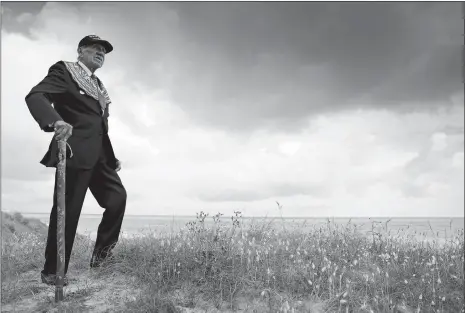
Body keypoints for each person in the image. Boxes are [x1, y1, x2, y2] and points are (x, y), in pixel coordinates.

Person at [25, 35, 127, 286]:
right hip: (73, 152)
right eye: (96, 48)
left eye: (104, 51)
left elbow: (100, 126)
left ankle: (102, 259)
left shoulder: (100, 86)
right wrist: (55, 120)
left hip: (101, 158)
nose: (101, 52)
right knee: (66, 213)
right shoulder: (65, 71)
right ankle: (52, 272)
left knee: (117, 200)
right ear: (81, 50)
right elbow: (36, 95)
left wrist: (111, 157)